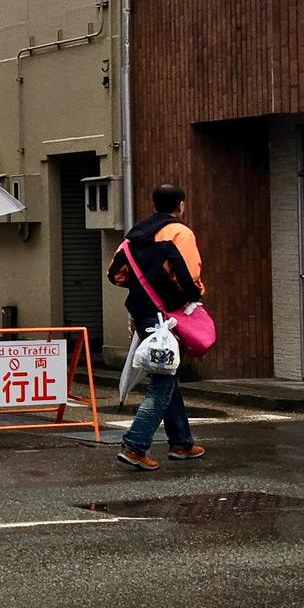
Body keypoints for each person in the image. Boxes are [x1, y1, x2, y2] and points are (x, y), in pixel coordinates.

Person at [108, 183, 208, 471]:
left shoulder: (134, 236)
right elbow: (189, 280)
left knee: (167, 373)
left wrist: (143, 286)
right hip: (169, 317)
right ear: (180, 205)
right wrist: (192, 294)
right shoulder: (179, 233)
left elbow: (115, 275)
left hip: (143, 315)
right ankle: (135, 445)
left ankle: (182, 442)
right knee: (163, 381)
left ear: (153, 204)